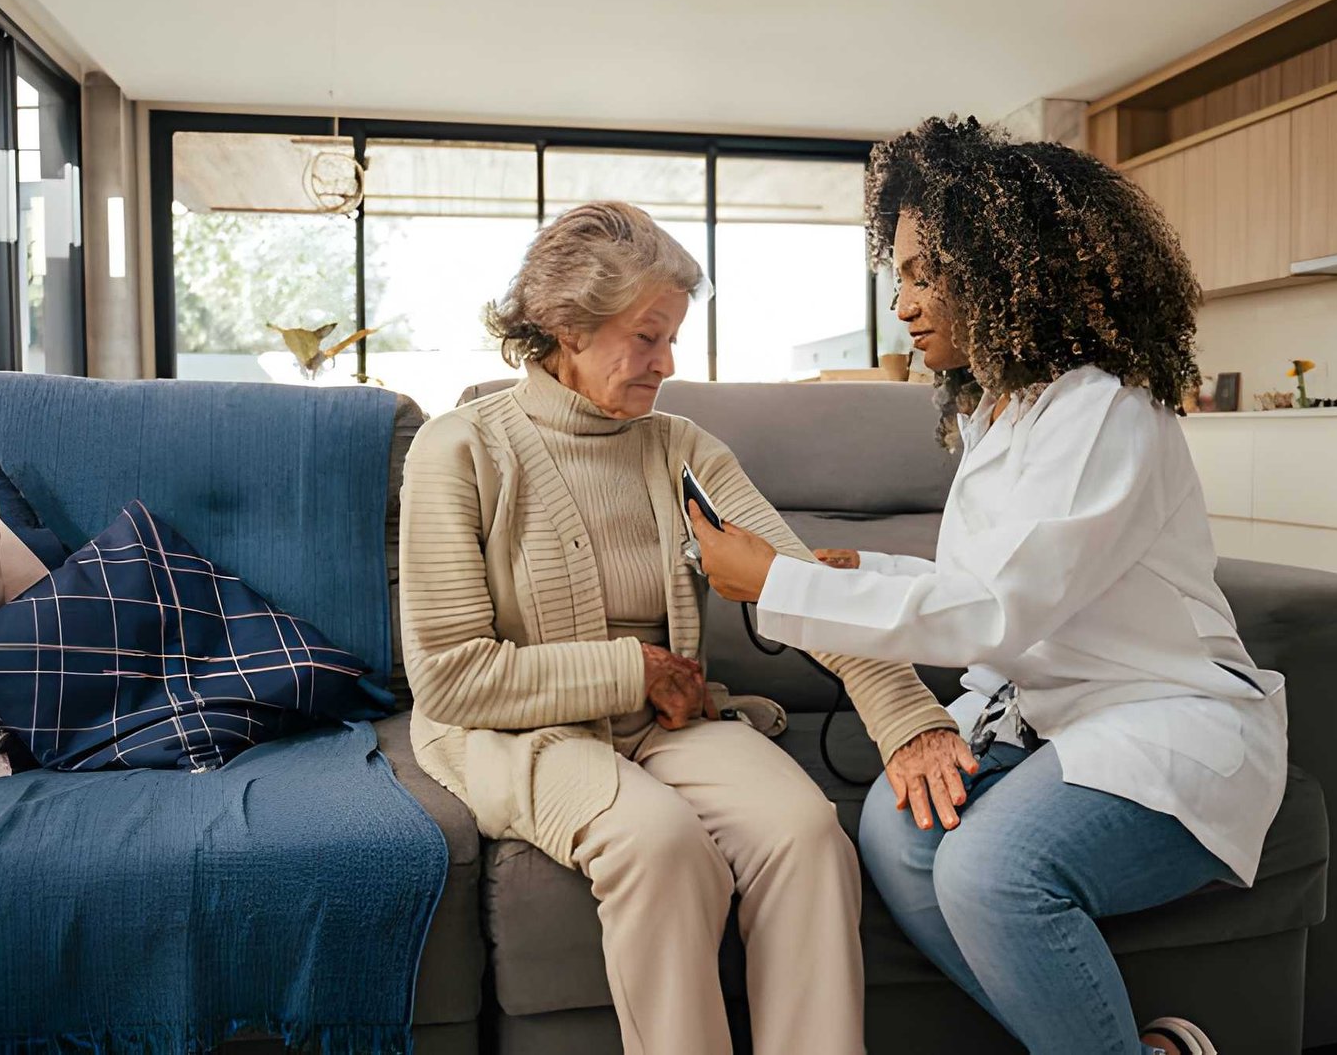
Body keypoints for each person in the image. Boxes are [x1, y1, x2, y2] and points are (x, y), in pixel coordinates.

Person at [688, 118, 1289, 1055]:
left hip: (1164, 722)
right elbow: (987, 580)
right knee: (896, 830)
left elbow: (1002, 609)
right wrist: (858, 570)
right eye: (902, 274)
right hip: (1054, 717)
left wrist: (776, 583)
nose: (905, 304)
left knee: (988, 874)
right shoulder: (998, 411)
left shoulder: (1104, 414)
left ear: (1014, 270)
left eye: (927, 273)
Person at [398, 201, 972, 1055]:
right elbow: (449, 675)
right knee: (662, 847)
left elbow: (800, 586)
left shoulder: (681, 449)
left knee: (807, 833)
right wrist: (633, 671)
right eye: (647, 337)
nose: (667, 364)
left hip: (671, 720)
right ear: (566, 326)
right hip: (521, 731)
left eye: (672, 337)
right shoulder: (462, 449)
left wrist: (910, 718)